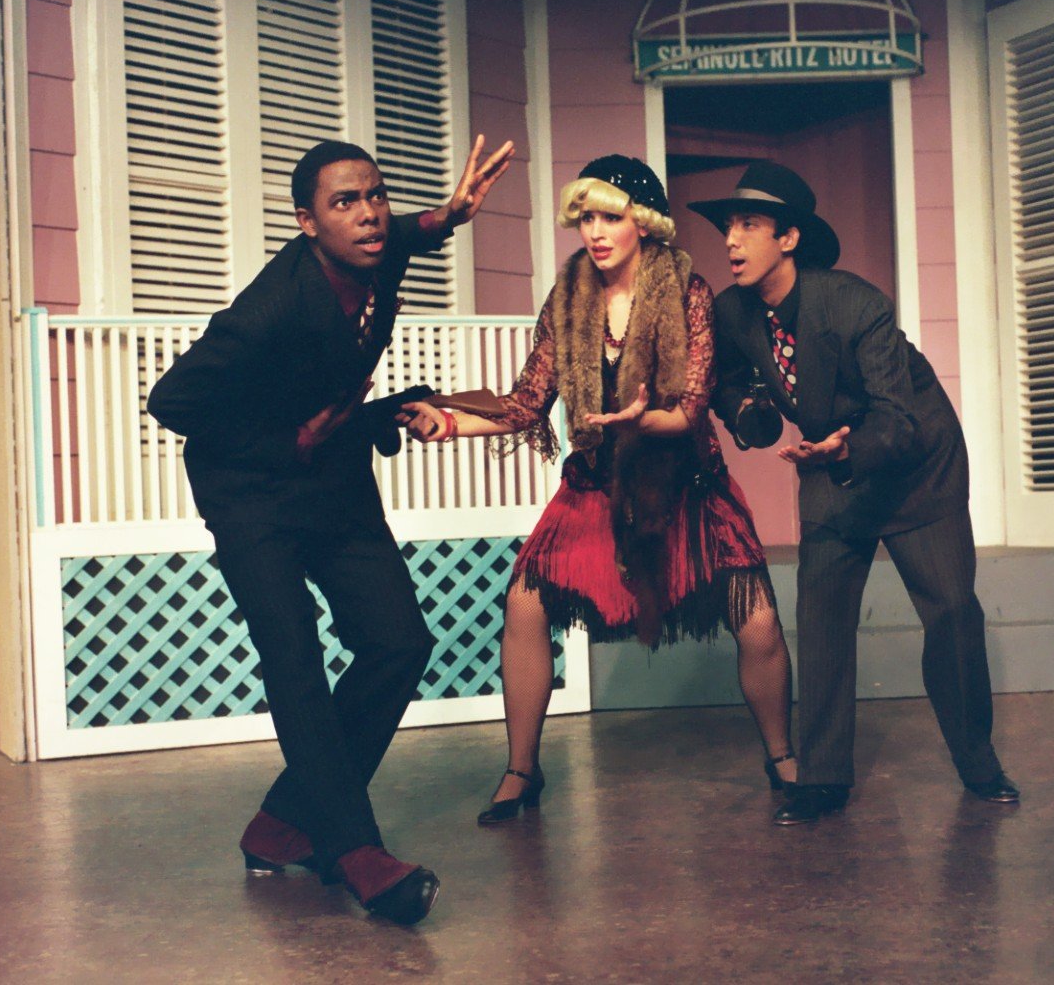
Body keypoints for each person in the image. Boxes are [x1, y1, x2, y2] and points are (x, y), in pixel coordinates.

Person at [147, 135, 514, 923]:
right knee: (296, 655)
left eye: (374, 195)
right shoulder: (269, 308)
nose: (369, 215)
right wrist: (287, 441)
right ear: (307, 222)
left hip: (334, 477)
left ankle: (283, 822)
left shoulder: (379, 253)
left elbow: (402, 235)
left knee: (400, 642)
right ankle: (354, 850)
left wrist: (444, 216)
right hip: (251, 490)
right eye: (344, 203)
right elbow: (171, 403)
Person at [402, 155, 798, 825]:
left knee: (757, 621)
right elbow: (528, 402)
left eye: (610, 215)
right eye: (586, 216)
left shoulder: (687, 293)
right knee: (525, 605)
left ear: (642, 223)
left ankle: (783, 760)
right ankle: (521, 771)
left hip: (685, 489)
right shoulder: (568, 301)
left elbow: (696, 404)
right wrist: (447, 422)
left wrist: (645, 416)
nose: (595, 230)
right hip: (595, 488)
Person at [688, 161, 1020, 826]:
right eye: (728, 226)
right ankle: (824, 778)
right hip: (828, 467)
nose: (731, 241)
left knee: (953, 612)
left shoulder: (855, 304)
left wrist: (846, 451)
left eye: (748, 225)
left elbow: (897, 419)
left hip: (911, 465)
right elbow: (728, 380)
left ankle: (978, 760)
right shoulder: (732, 311)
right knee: (823, 616)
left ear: (788, 238)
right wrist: (752, 410)